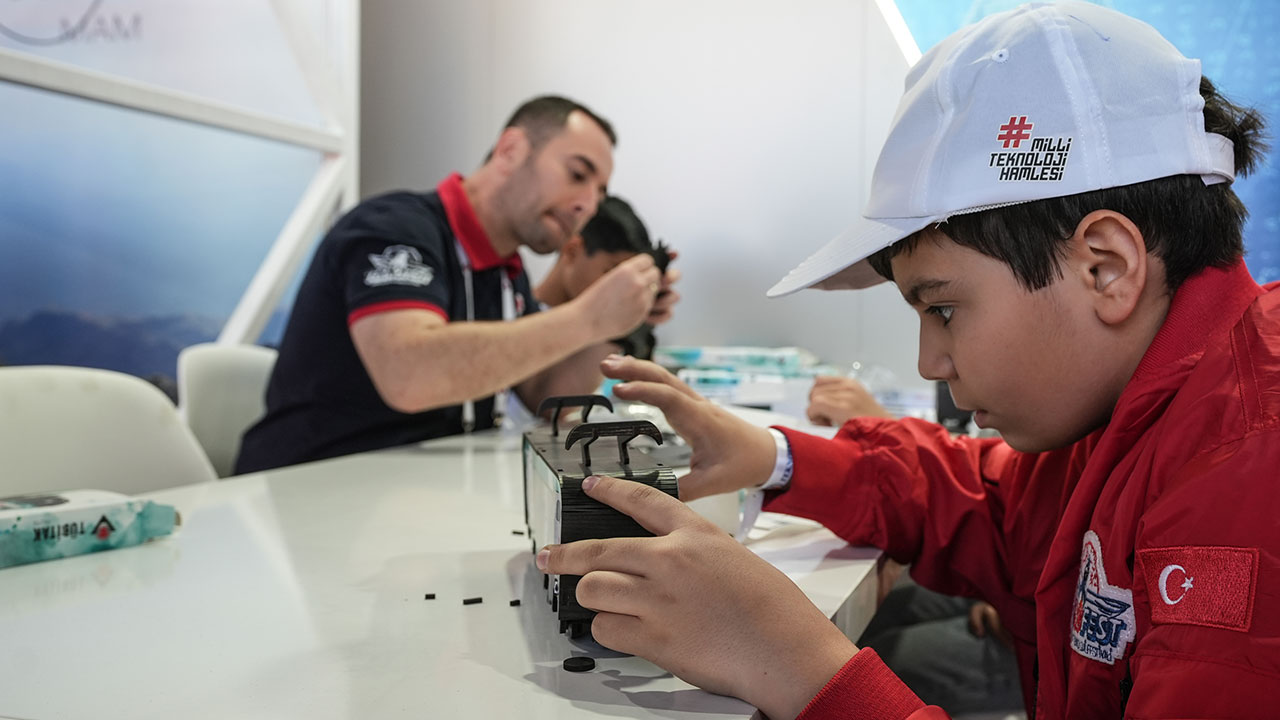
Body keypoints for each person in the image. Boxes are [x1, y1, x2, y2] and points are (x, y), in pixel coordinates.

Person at [537, 4, 1279, 719]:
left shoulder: (1247, 488)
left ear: (1106, 269)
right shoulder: (1138, 409)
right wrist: (772, 456)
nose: (930, 362)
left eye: (944, 309)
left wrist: (801, 668)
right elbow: (990, 507)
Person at [235, 96, 677, 473]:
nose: (588, 203)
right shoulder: (392, 230)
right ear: (510, 150)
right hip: (310, 490)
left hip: (419, 492)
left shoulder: (507, 272)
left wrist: (618, 323)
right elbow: (410, 375)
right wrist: (586, 317)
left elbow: (550, 398)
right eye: (578, 175)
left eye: (600, 191)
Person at [535, 195, 677, 361]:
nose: (623, 288)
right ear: (573, 250)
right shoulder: (511, 320)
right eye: (611, 273)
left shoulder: (603, 331)